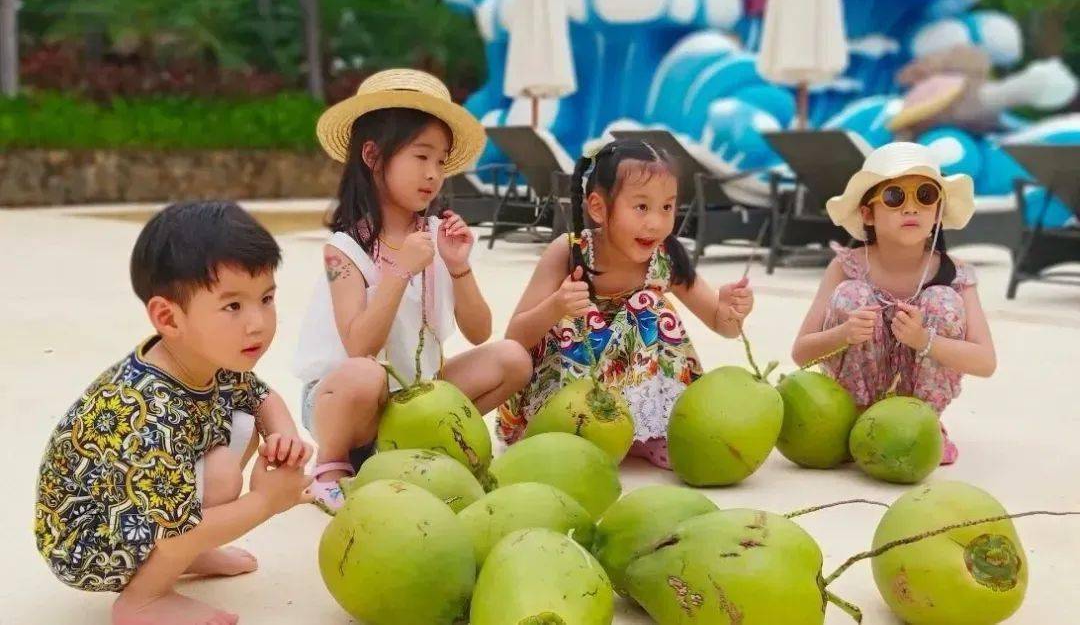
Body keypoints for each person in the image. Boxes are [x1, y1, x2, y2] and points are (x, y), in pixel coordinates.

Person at [34, 201, 313, 625]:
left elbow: (262, 399)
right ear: (168, 317)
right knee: (219, 477)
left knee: (240, 422)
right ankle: (144, 599)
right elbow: (176, 531)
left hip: (138, 504)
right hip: (89, 544)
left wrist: (284, 437)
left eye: (266, 298)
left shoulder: (206, 355)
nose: (258, 323)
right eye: (233, 306)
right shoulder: (150, 414)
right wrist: (265, 501)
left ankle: (190, 556)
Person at [294, 69, 532, 510]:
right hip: (348, 403)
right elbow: (359, 345)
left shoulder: (439, 235)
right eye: (421, 157)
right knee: (364, 375)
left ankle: (420, 446)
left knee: (513, 358)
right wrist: (399, 272)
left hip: (416, 396)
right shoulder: (344, 249)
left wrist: (459, 267)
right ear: (373, 155)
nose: (433, 174)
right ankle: (331, 468)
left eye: (441, 161)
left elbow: (480, 332)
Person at [503, 139, 755, 469]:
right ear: (598, 208)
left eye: (667, 207)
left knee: (649, 305)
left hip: (632, 385)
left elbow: (723, 326)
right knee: (590, 315)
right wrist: (557, 305)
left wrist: (733, 309)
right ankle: (574, 428)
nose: (656, 222)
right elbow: (514, 337)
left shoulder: (666, 259)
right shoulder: (569, 252)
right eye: (641, 207)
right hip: (568, 391)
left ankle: (647, 431)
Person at [792, 141, 996, 464]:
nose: (911, 208)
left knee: (942, 300)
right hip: (855, 411)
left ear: (938, 213)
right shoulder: (847, 267)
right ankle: (861, 421)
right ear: (868, 214)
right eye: (894, 197)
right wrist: (843, 333)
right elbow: (800, 353)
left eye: (925, 196)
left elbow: (986, 361)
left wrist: (924, 340)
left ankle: (923, 426)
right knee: (852, 295)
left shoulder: (956, 274)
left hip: (917, 425)